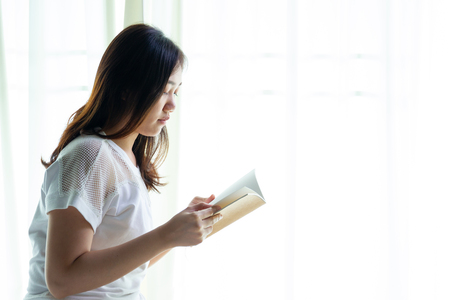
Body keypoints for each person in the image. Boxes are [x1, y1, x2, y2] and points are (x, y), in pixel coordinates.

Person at [24, 24, 222, 300]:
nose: (172, 104)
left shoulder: (125, 158)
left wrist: (177, 232)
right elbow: (62, 280)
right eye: (165, 90)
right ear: (127, 89)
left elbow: (123, 270)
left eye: (175, 91)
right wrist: (166, 235)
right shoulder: (89, 155)